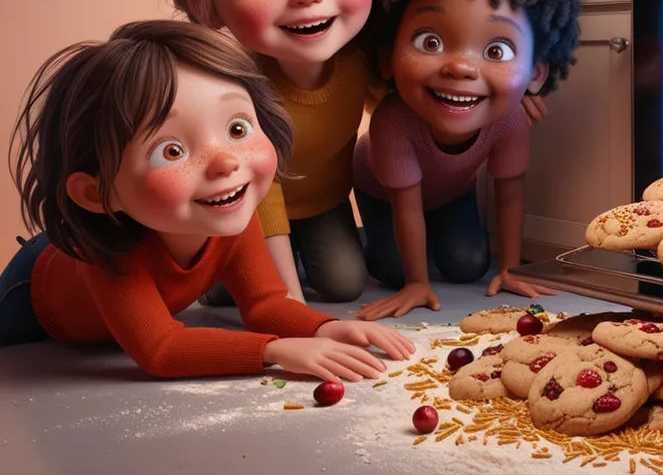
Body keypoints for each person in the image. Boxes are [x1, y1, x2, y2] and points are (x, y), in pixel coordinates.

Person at [162, 0, 549, 305]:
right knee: (228, 293)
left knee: (345, 282)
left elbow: (418, 107)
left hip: (327, 202)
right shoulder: (240, 93)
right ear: (208, 4)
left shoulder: (361, 62)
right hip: (251, 209)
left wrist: (503, 95)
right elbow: (261, 197)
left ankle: (304, 256)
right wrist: (290, 304)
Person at [0, 20, 414, 381]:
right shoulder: (106, 250)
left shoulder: (229, 208)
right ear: (98, 194)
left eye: (237, 129)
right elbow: (159, 349)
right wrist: (273, 352)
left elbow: (265, 303)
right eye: (172, 151)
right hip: (32, 293)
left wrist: (323, 329)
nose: (224, 163)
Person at [351, 0, 581, 320]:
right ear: (388, 58)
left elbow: (510, 193)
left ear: (535, 73)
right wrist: (416, 282)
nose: (460, 68)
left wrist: (510, 268)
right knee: (391, 268)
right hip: (384, 195)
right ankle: (359, 238)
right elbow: (406, 205)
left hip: (449, 192)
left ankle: (438, 235)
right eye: (431, 42)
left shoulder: (508, 119)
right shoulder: (393, 123)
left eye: (496, 52)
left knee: (469, 266)